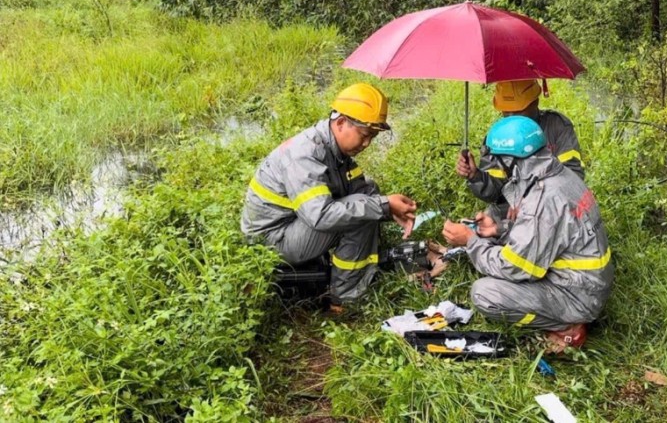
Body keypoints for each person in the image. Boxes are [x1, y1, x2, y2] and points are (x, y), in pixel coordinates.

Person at [442, 116, 613, 351]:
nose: (497, 166)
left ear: (511, 160)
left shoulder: (544, 199)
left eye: (498, 160)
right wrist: (498, 229)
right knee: (498, 243)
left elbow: (516, 267)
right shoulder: (559, 176)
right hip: (588, 283)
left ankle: (567, 327)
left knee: (484, 294)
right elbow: (550, 229)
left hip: (579, 296)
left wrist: (471, 242)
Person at [241, 83, 417, 304]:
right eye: (364, 134)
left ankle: (362, 269)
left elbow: (362, 189)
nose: (366, 143)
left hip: (293, 225)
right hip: (271, 241)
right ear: (341, 122)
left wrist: (389, 209)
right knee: (365, 208)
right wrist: (381, 206)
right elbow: (321, 216)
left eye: (373, 136)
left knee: (370, 194)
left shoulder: (334, 150)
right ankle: (346, 296)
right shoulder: (304, 156)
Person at [456, 80, 584, 207]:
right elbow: (494, 193)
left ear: (535, 102)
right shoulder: (498, 139)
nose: (512, 118)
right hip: (514, 218)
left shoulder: (557, 127)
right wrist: (476, 176)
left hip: (555, 210)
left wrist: (529, 199)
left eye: (518, 111)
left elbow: (573, 177)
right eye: (506, 112)